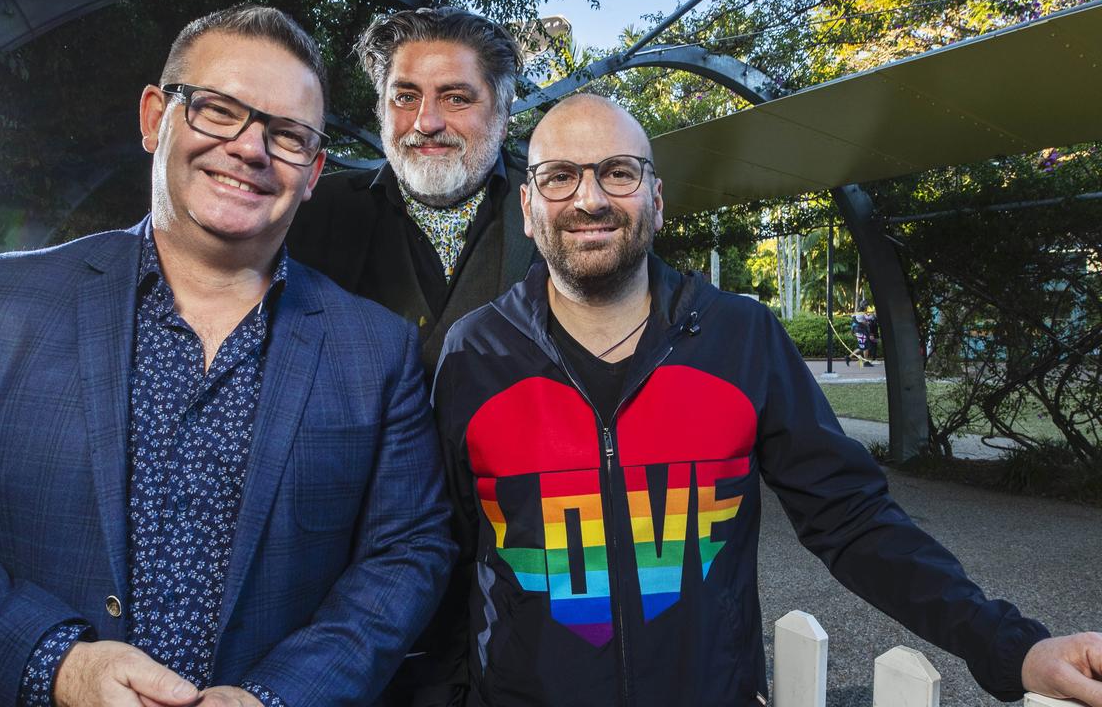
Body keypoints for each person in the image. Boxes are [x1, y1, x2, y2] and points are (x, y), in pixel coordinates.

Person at [0, 4, 455, 707]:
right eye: (219, 110)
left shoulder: (376, 349)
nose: (251, 148)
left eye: (286, 134)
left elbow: (407, 555)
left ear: (312, 171)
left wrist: (280, 697)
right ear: (156, 118)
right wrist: (56, 666)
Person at [427, 94, 1102, 706]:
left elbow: (853, 519)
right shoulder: (475, 354)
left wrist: (1011, 646)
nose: (590, 198)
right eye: (560, 176)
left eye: (619, 172)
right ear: (528, 205)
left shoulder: (740, 338)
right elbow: (443, 554)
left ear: (657, 199)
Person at [289, 6, 537, 371]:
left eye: (456, 98)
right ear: (381, 111)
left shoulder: (560, 210)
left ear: (501, 116)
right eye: (405, 97)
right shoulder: (308, 211)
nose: (427, 122)